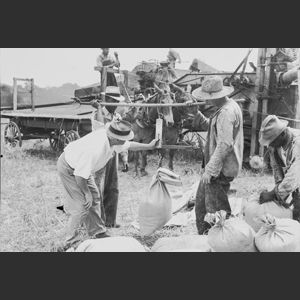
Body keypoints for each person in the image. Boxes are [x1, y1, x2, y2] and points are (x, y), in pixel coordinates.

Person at [56, 119, 159, 251]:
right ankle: (69, 242)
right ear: (116, 138)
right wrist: (86, 193)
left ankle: (97, 231)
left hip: (82, 169)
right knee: (81, 206)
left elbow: (129, 145)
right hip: (70, 168)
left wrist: (149, 146)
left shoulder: (113, 140)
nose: (125, 140)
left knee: (94, 198)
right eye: (124, 138)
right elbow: (79, 176)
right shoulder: (96, 149)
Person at [191, 75, 244, 235]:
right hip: (219, 167)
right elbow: (213, 129)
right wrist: (196, 113)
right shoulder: (227, 107)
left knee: (214, 212)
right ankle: (208, 239)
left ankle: (219, 241)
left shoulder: (226, 113)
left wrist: (211, 170)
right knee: (202, 206)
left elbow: (225, 144)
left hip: (220, 169)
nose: (206, 101)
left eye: (208, 98)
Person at [91, 86, 130, 230]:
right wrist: (100, 109)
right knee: (98, 187)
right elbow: (100, 130)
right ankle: (99, 222)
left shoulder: (117, 117)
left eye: (116, 101)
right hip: (101, 154)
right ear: (106, 100)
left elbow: (123, 138)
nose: (115, 104)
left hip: (113, 154)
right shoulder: (97, 113)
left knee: (112, 186)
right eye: (112, 101)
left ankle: (110, 221)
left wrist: (124, 158)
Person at [258, 115, 300, 222]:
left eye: (272, 141)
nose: (270, 144)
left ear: (282, 134)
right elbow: (277, 169)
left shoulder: (297, 143)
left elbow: (294, 176)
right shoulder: (274, 145)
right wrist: (280, 194)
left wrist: (274, 193)